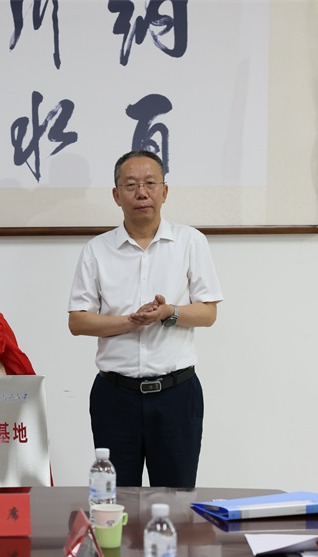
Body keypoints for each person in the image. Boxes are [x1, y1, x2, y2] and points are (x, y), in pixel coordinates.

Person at [67, 150, 223, 488]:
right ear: (116, 195)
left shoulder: (190, 242)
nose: (142, 193)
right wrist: (130, 322)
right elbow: (78, 321)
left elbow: (208, 312)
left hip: (176, 395)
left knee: (177, 499)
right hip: (115, 396)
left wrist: (170, 313)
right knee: (116, 500)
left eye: (150, 183)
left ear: (164, 192)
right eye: (131, 185)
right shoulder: (97, 250)